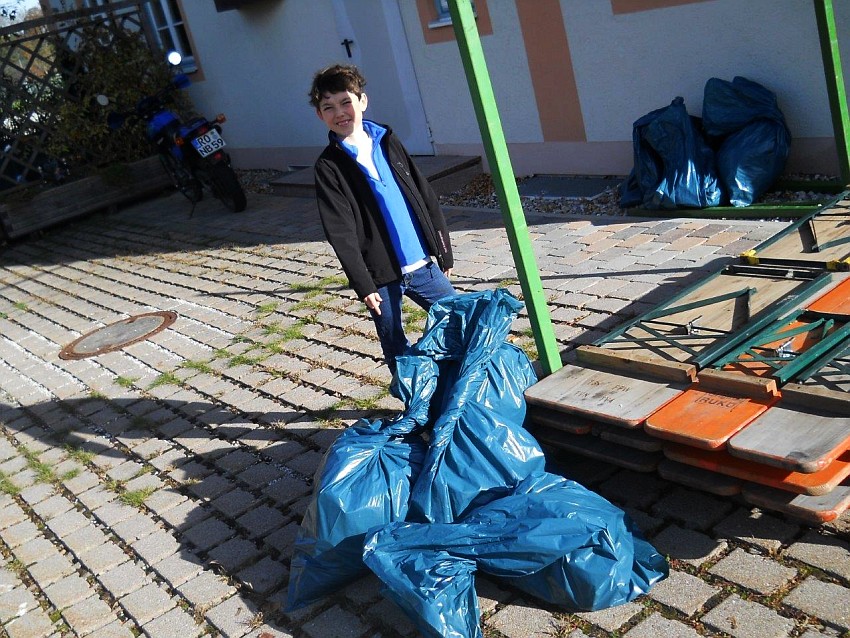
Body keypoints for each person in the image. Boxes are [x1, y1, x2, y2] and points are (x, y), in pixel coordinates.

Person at [309, 64, 457, 375]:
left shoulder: (388, 141)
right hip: (381, 277)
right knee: (394, 342)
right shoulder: (329, 166)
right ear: (320, 115)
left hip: (422, 265)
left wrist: (442, 248)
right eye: (328, 107)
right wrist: (363, 284)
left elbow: (423, 192)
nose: (340, 113)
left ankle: (462, 382)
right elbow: (340, 232)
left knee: (459, 317)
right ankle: (414, 400)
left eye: (345, 101)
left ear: (362, 101)